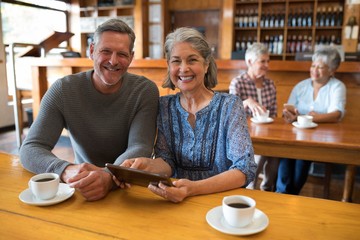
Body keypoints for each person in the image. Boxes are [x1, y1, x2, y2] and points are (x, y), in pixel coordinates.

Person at [20, 19, 159, 201]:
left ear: (131, 57)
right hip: (81, 185)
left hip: (130, 187)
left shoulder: (144, 90)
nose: (113, 61)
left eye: (122, 54)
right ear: (92, 51)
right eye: (106, 51)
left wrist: (109, 176)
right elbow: (30, 148)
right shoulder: (63, 90)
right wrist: (65, 170)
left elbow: (140, 146)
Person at [119, 27, 256, 203]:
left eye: (192, 60)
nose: (184, 69)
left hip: (222, 203)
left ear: (206, 64)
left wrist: (194, 189)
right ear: (168, 65)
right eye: (176, 61)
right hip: (176, 201)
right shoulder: (165, 106)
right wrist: (148, 165)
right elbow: (168, 162)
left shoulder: (230, 105)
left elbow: (245, 169)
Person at [276, 46, 346, 195]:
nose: (315, 70)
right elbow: (288, 110)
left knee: (302, 157)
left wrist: (309, 117)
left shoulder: (337, 87)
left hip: (320, 138)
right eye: (313, 65)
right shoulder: (301, 86)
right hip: (294, 135)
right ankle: (283, 193)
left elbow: (336, 114)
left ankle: (290, 194)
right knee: (286, 152)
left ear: (332, 70)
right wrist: (288, 115)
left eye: (320, 67)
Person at [229, 43, 279, 192]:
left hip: (268, 133)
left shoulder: (270, 84)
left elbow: (274, 114)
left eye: (268, 61)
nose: (267, 65)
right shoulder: (238, 83)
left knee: (276, 152)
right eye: (262, 61)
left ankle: (267, 189)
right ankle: (250, 188)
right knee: (261, 152)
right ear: (250, 62)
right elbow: (230, 114)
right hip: (245, 135)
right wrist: (246, 102)